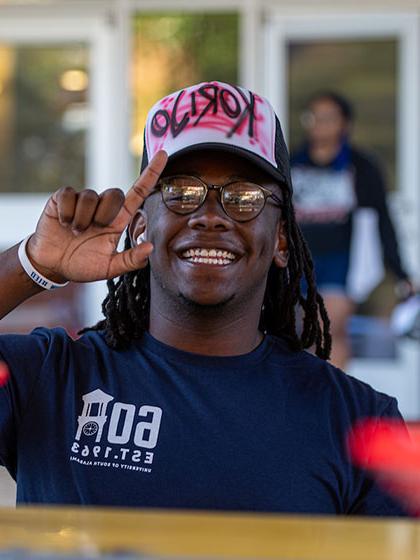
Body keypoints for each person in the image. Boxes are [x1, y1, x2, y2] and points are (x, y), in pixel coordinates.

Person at [0, 81, 409, 515]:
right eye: (180, 193)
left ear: (282, 240)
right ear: (140, 228)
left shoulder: (361, 424)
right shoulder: (52, 376)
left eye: (243, 197)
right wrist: (32, 264)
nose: (210, 217)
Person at [290, 92, 413, 369]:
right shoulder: (292, 163)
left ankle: (331, 403)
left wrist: (400, 271)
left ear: (344, 124)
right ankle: (309, 403)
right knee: (303, 334)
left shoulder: (361, 167)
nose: (319, 124)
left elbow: (381, 219)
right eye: (313, 117)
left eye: (328, 118)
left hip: (342, 262)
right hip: (298, 263)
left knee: (329, 329)